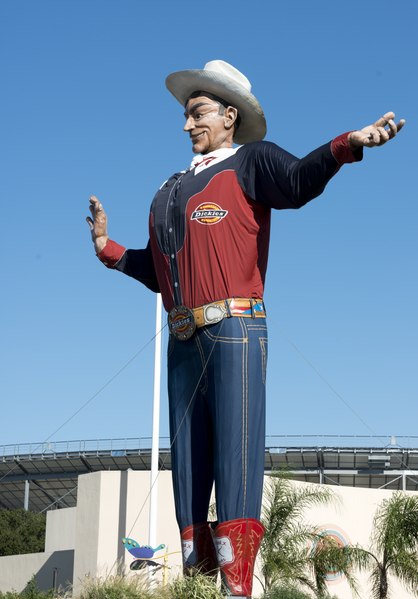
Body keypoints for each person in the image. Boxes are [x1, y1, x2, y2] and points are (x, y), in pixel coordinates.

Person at [86, 60, 405, 598]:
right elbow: (165, 272)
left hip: (235, 328)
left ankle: (237, 590)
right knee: (187, 474)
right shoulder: (169, 188)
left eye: (199, 113)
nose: (189, 125)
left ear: (230, 115)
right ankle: (198, 584)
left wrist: (349, 144)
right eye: (186, 116)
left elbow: (300, 181)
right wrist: (109, 251)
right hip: (181, 339)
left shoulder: (250, 161)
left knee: (235, 464)